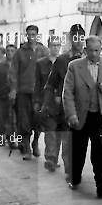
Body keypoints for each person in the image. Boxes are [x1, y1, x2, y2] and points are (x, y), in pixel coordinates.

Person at [63, 35, 102, 198]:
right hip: (80, 115)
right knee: (78, 149)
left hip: (100, 115)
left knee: (100, 150)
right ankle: (74, 177)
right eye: (91, 51)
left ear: (101, 50)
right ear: (85, 50)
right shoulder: (75, 66)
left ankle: (101, 185)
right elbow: (68, 93)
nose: (94, 54)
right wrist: (71, 114)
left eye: (97, 51)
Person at [45, 24, 86, 181]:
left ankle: (73, 168)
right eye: (75, 38)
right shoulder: (62, 60)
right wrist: (53, 98)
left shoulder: (88, 58)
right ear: (70, 38)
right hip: (65, 107)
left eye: (81, 38)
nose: (78, 42)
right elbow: (50, 83)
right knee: (67, 139)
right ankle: (69, 170)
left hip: (84, 106)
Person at [10, 25, 44, 160]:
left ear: (37, 35)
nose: (31, 37)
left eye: (33, 34)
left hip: (39, 92)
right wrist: (13, 89)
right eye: (29, 34)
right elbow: (13, 72)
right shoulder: (20, 52)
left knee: (38, 120)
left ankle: (35, 142)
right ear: (26, 35)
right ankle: (27, 148)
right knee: (24, 120)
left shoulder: (43, 51)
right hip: (23, 91)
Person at [36, 36, 65, 172]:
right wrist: (38, 102)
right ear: (48, 46)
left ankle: (54, 157)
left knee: (59, 132)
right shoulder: (41, 64)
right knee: (50, 130)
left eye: (58, 45)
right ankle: (50, 158)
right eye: (53, 45)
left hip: (62, 104)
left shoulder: (64, 62)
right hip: (47, 102)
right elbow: (37, 85)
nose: (55, 47)